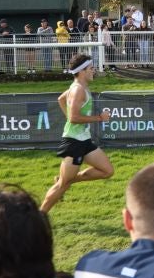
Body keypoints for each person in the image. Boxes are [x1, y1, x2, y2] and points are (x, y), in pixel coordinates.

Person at [41, 54, 113, 212]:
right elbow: (73, 118)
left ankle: (67, 179)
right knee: (62, 186)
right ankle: (39, 215)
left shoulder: (79, 87)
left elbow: (60, 99)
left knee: (107, 171)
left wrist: (71, 119)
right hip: (74, 142)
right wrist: (99, 118)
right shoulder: (78, 90)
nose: (93, 71)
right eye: (91, 68)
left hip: (83, 140)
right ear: (82, 71)